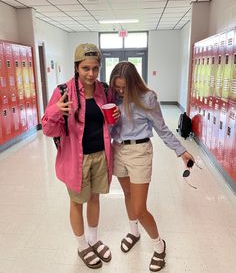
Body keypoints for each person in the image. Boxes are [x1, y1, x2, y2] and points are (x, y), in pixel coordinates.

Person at [109, 61, 194, 272]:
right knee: (127, 195)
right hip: (118, 150)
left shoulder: (148, 98)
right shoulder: (113, 99)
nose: (120, 91)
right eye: (116, 87)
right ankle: (134, 232)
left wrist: (181, 151)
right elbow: (108, 127)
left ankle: (159, 245)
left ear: (134, 83)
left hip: (140, 153)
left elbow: (162, 129)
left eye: (123, 87)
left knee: (139, 208)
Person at [42, 43, 118, 270]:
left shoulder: (103, 90)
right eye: (85, 68)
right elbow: (48, 130)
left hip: (101, 156)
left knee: (95, 198)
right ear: (77, 67)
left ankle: (93, 239)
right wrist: (56, 110)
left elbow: (108, 124)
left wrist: (116, 114)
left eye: (95, 68)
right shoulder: (63, 91)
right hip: (77, 159)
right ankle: (82, 244)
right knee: (77, 202)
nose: (91, 74)